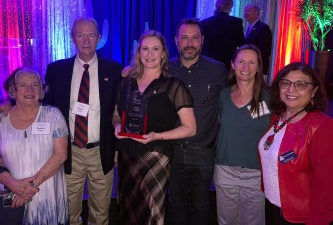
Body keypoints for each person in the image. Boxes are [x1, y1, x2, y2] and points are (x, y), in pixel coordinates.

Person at [0, 16, 123, 225]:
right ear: (73, 38)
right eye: (80, 35)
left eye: (90, 35)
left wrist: (116, 149)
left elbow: (118, 108)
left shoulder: (114, 70)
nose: (86, 40)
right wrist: (8, 104)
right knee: (69, 211)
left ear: (98, 38)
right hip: (67, 151)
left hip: (100, 151)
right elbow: (38, 100)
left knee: (101, 210)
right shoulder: (57, 69)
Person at [113, 30, 196, 224]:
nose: (149, 55)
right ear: (138, 53)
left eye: (155, 49)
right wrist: (117, 125)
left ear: (163, 54)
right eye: (145, 49)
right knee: (127, 210)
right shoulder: (125, 83)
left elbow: (190, 128)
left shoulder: (174, 86)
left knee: (151, 211)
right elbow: (116, 114)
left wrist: (157, 136)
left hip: (155, 156)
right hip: (127, 155)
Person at [0, 68, 69, 224]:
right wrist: (14, 185)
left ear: (41, 89)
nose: (30, 90)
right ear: (13, 90)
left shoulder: (53, 115)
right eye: (23, 85)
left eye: (35, 85)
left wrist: (28, 188)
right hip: (10, 196)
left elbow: (61, 155)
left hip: (46, 195)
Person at [258, 62, 333, 224]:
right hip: (271, 204)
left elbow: (328, 186)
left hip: (300, 216)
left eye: (301, 84)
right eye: (285, 83)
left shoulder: (321, 126)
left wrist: (318, 220)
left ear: (314, 91)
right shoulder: (278, 117)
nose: (291, 89)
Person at [168, 18, 228, 225]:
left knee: (200, 204)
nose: (190, 43)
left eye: (195, 38)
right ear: (176, 41)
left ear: (202, 40)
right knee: (175, 202)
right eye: (184, 38)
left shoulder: (218, 70)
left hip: (204, 151)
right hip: (172, 150)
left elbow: (226, 104)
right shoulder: (165, 68)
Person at [214, 44, 270, 225]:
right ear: (232, 64)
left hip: (256, 172)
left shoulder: (270, 97)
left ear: (258, 67)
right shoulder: (222, 96)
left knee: (253, 222)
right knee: (226, 221)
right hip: (225, 169)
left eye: (251, 62)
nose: (246, 67)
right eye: (241, 62)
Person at [201, 0, 245, 71]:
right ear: (231, 6)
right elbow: (241, 44)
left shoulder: (204, 23)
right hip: (227, 65)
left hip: (207, 64)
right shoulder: (236, 22)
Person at [244, 4, 272, 78]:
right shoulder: (249, 28)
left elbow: (265, 51)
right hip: (249, 67)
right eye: (245, 10)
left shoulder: (263, 28)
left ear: (257, 13)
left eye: (248, 10)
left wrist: (256, 65)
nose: (245, 13)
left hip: (257, 68)